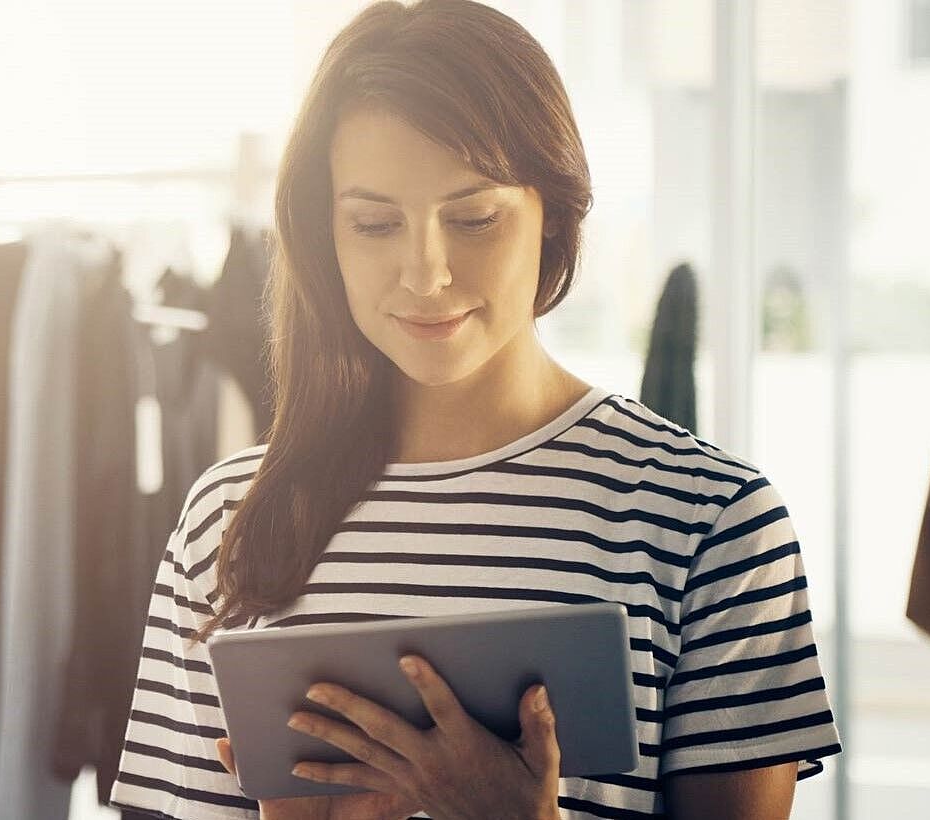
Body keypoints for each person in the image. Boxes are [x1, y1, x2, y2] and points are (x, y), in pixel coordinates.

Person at [110, 3, 841, 819]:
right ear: (327, 238)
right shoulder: (227, 519)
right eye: (375, 223)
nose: (425, 274)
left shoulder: (709, 522)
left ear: (554, 216)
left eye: (474, 218)